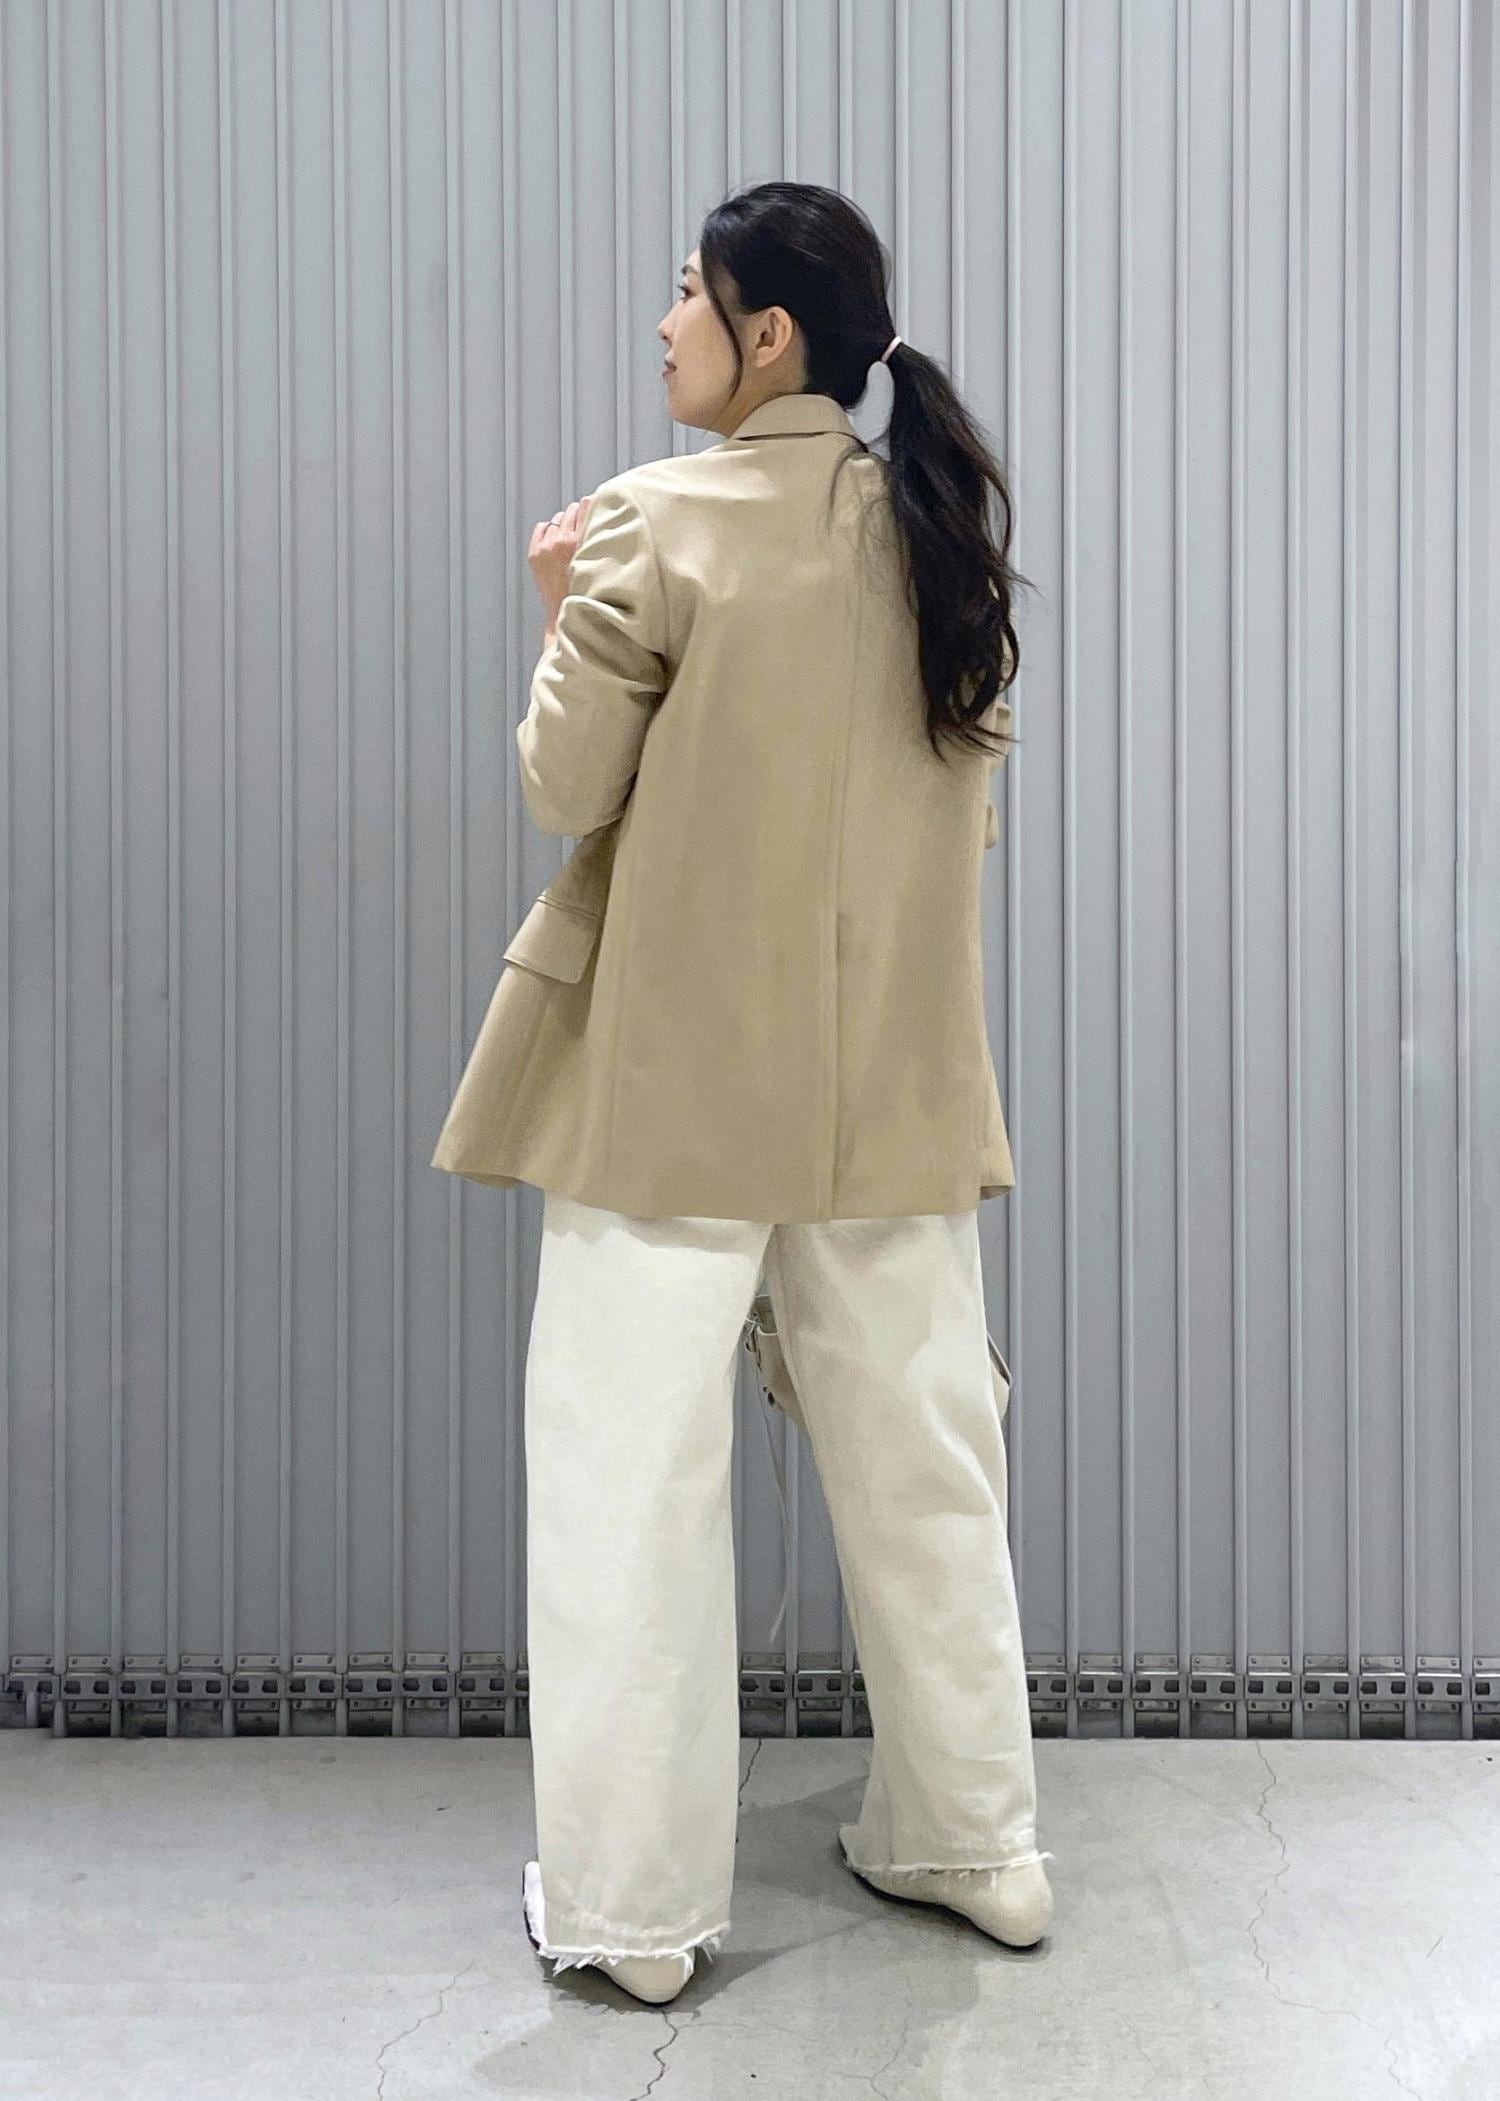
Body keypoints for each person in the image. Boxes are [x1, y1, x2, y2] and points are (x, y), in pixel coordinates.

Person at [430, 180, 1053, 2006]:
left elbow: (564, 790)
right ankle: (980, 1843)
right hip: (894, 1090)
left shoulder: (653, 521)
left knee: (629, 1483)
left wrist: (560, 609)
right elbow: (959, 821)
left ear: (765, 334)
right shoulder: (939, 540)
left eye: (685, 296)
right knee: (931, 1475)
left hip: (675, 1086)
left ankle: (633, 1916)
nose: (663, 324)